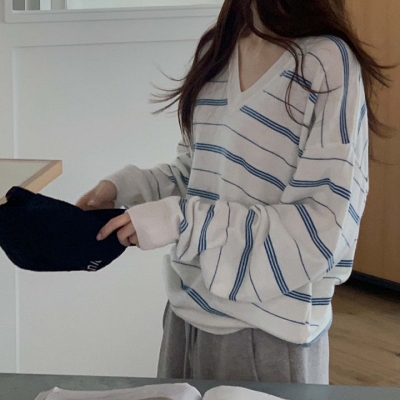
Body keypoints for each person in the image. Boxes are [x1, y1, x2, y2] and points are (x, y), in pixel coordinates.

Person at [76, 0, 390, 384]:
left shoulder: (326, 63)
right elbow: (198, 175)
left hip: (269, 329)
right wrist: (128, 187)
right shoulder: (218, 49)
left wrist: (182, 221)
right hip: (185, 314)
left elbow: (323, 225)